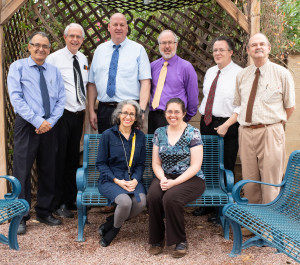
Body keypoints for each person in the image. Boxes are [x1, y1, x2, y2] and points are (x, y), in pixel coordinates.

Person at [7, 32, 65, 234]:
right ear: (29, 47)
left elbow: (61, 100)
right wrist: (38, 121)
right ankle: (20, 215)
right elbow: (16, 98)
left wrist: (49, 122)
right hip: (27, 124)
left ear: (49, 50)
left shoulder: (54, 71)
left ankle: (44, 211)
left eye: (45, 46)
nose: (41, 49)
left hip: (50, 125)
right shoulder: (18, 67)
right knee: (22, 170)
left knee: (48, 168)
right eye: (37, 45)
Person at [234, 33, 295, 204]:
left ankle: (268, 228)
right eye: (253, 45)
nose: (258, 47)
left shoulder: (282, 74)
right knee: (250, 180)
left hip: (270, 131)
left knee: (270, 182)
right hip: (246, 132)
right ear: (248, 50)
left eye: (262, 44)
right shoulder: (242, 76)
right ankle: (253, 223)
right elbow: (239, 104)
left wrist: (274, 126)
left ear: (269, 48)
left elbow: (290, 107)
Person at [147, 98, 206, 258]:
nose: (173, 115)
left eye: (176, 112)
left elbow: (195, 166)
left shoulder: (192, 132)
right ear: (165, 113)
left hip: (191, 178)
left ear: (184, 114)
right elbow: (156, 163)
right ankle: (157, 240)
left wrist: (175, 183)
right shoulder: (159, 133)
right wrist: (162, 178)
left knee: (171, 198)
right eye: (169, 112)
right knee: (153, 196)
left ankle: (180, 241)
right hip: (165, 176)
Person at [194, 36, 242, 218]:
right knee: (205, 164)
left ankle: (220, 209)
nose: (217, 53)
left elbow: (242, 106)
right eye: (215, 50)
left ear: (231, 52)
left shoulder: (239, 73)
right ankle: (207, 202)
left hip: (228, 124)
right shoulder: (210, 71)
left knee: (225, 164)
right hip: (206, 122)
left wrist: (227, 125)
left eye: (221, 49)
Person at [46, 23, 88, 218]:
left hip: (78, 115)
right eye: (71, 36)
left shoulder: (83, 58)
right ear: (64, 37)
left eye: (78, 37)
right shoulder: (53, 58)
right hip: (61, 115)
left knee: (73, 157)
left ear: (82, 39)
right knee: (59, 158)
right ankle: (58, 202)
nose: (75, 40)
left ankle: (70, 199)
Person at [88, 13, 151, 134]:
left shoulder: (138, 50)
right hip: (104, 110)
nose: (118, 28)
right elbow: (92, 84)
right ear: (109, 27)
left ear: (127, 28)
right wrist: (91, 111)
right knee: (107, 149)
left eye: (122, 25)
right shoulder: (99, 50)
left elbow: (145, 82)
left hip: (130, 110)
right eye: (115, 24)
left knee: (129, 150)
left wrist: (141, 111)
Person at [96, 100, 147, 247]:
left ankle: (110, 223)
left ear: (136, 118)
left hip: (132, 179)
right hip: (110, 179)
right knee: (125, 202)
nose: (128, 117)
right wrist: (116, 180)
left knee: (141, 202)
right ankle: (113, 231)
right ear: (118, 115)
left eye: (132, 114)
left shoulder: (140, 137)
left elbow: (140, 164)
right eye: (125, 113)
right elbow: (101, 163)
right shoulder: (108, 135)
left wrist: (136, 180)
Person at [148, 30, 199, 134]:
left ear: (176, 44)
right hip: (154, 117)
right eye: (163, 43)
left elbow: (193, 98)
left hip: (175, 118)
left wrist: (183, 117)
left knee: (175, 150)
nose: (167, 46)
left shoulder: (186, 67)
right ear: (159, 45)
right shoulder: (152, 67)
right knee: (153, 149)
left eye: (170, 42)